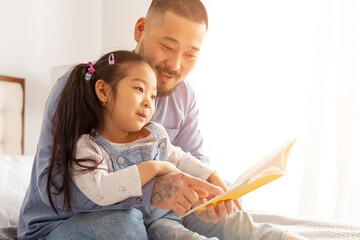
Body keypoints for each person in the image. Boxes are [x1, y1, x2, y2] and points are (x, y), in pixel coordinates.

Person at [18, 0, 304, 239]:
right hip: (62, 222)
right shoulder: (79, 87)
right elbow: (52, 192)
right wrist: (153, 190)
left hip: (150, 218)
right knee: (128, 224)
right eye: (167, 47)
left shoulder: (182, 96)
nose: (176, 66)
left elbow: (189, 163)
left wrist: (209, 197)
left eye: (191, 55)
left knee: (219, 218)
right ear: (140, 29)